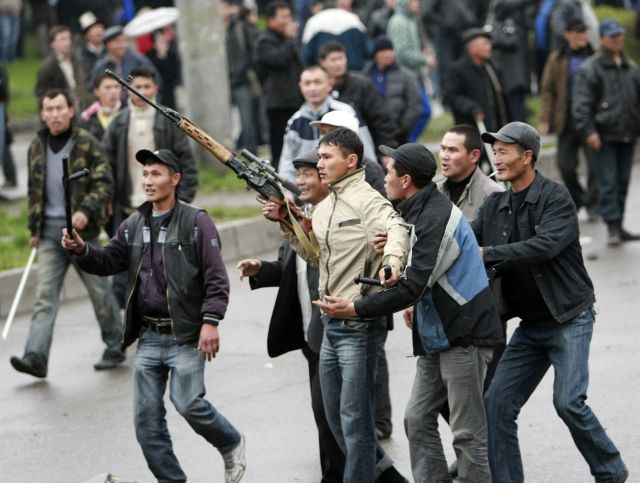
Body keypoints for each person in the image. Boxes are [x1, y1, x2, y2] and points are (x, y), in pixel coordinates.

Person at [317, 142, 503, 483]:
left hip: (464, 334)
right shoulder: (412, 210)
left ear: (405, 180)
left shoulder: (434, 217)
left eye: (389, 171)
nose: (384, 176)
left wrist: (356, 307)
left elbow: (412, 286)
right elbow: (411, 270)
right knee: (416, 419)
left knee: (466, 433)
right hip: (438, 333)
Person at [61, 148, 246, 483]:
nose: (148, 180)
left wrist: (210, 321)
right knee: (146, 424)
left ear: (175, 179)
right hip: (148, 337)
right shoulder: (134, 224)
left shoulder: (196, 221)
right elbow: (106, 261)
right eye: (145, 174)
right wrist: (81, 250)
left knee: (188, 403)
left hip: (186, 335)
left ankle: (231, 442)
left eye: (156, 173)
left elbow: (217, 278)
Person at [473, 121, 628, 483]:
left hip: (570, 317)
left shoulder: (555, 197)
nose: (497, 158)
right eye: (494, 151)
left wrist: (488, 253)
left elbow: (544, 247)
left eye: (504, 151)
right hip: (531, 326)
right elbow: (463, 239)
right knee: (496, 405)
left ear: (527, 157)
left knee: (568, 401)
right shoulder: (495, 204)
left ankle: (610, 470)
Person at [274, 128, 410, 483]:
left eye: (326, 157)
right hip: (329, 326)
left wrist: (392, 263)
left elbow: (396, 228)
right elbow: (313, 254)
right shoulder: (325, 206)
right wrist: (289, 224)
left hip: (358, 328)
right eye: (318, 157)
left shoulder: (368, 199)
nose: (319, 164)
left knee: (355, 424)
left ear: (351, 161)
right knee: (336, 422)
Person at [237, 150, 346, 483]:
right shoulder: (302, 214)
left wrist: (288, 220)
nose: (300, 182)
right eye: (297, 175)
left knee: (337, 418)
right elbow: (294, 267)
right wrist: (261, 269)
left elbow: (320, 259)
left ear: (327, 175)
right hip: (309, 333)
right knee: (323, 416)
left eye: (308, 174)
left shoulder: (332, 216)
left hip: (335, 330)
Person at [9, 89, 124, 378]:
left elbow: (104, 183)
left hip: (81, 234)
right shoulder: (36, 145)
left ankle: (116, 344)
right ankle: (36, 356)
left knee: (99, 291)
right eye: (50, 109)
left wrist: (85, 211)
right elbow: (35, 192)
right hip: (48, 234)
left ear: (71, 111)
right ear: (43, 114)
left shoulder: (87, 145)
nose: (55, 114)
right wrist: (33, 228)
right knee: (45, 295)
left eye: (60, 108)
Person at [103, 67, 198, 306]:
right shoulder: (119, 124)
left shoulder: (168, 121)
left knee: (166, 271)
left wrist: (181, 202)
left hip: (164, 211)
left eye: (147, 87)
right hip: (128, 208)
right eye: (137, 87)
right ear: (127, 91)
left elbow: (187, 163)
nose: (142, 92)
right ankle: (124, 334)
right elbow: (105, 168)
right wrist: (108, 202)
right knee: (124, 277)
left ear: (156, 88)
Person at [573, 18, 640, 245]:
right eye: (612, 36)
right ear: (602, 38)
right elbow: (581, 106)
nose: (618, 39)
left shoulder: (630, 68)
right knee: (608, 182)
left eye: (619, 34)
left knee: (622, 181)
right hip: (603, 136)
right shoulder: (590, 69)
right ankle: (612, 226)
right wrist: (589, 131)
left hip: (628, 133)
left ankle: (619, 224)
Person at [277, 65, 377, 183]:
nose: (312, 88)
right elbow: (286, 163)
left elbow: (366, 152)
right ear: (300, 87)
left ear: (329, 85)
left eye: (317, 82)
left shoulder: (346, 112)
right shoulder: (294, 121)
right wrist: (289, 193)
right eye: (307, 83)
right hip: (308, 192)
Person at [539, 17, 597, 219]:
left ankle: (592, 205)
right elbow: (548, 91)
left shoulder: (594, 56)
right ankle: (579, 199)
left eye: (584, 31)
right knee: (565, 166)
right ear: (567, 35)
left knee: (596, 165)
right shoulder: (557, 59)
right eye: (577, 32)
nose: (582, 36)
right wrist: (545, 119)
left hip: (591, 121)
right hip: (566, 121)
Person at [318, 41, 397, 150]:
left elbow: (380, 119)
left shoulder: (362, 84)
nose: (338, 64)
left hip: (362, 146)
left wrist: (386, 149)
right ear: (322, 62)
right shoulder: (318, 88)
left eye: (341, 58)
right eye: (333, 60)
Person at [254, 0, 303, 167]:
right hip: (278, 104)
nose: (288, 20)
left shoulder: (287, 40)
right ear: (270, 20)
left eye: (289, 16)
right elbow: (278, 59)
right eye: (283, 17)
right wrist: (290, 41)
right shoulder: (264, 41)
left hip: (295, 99)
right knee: (279, 147)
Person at [443, 28, 510, 133]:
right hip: (472, 128)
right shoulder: (457, 70)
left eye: (489, 44)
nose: (489, 47)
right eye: (484, 44)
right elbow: (451, 97)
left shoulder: (491, 67)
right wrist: (472, 108)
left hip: (496, 126)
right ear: (471, 47)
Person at [363, 36, 424, 146]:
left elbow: (415, 105)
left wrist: (401, 128)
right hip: (373, 133)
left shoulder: (406, 75)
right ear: (376, 54)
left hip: (398, 135)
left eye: (390, 50)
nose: (388, 54)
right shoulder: (366, 75)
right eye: (383, 51)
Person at [436, 124, 503, 221]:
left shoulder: (492, 195)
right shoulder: (434, 192)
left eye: (452, 150)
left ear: (474, 156)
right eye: (443, 148)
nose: (444, 156)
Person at [222, 0, 259, 153]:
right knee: (225, 122)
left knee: (247, 120)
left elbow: (251, 50)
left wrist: (241, 70)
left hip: (240, 81)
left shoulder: (239, 27)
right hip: (220, 85)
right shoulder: (212, 32)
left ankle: (250, 152)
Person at [90, 25, 160, 103]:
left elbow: (156, 82)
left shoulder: (138, 61)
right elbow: (93, 89)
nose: (121, 45)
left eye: (124, 41)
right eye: (116, 41)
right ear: (107, 45)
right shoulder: (101, 66)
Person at [301, 0, 370, 70]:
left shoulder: (313, 22)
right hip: (355, 72)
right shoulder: (353, 19)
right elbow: (368, 51)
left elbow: (307, 56)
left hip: (325, 75)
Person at [35, 25, 91, 109]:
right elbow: (41, 92)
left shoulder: (77, 60)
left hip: (81, 105)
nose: (67, 43)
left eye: (68, 38)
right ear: (52, 44)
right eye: (62, 39)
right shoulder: (48, 67)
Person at [78, 72, 122, 141]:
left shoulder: (128, 113)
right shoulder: (87, 118)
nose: (114, 91)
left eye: (116, 87)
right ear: (96, 91)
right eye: (108, 87)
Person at [77, 11, 105, 76]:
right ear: (86, 34)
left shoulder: (110, 50)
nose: (99, 30)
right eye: (94, 28)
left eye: (101, 27)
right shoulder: (80, 54)